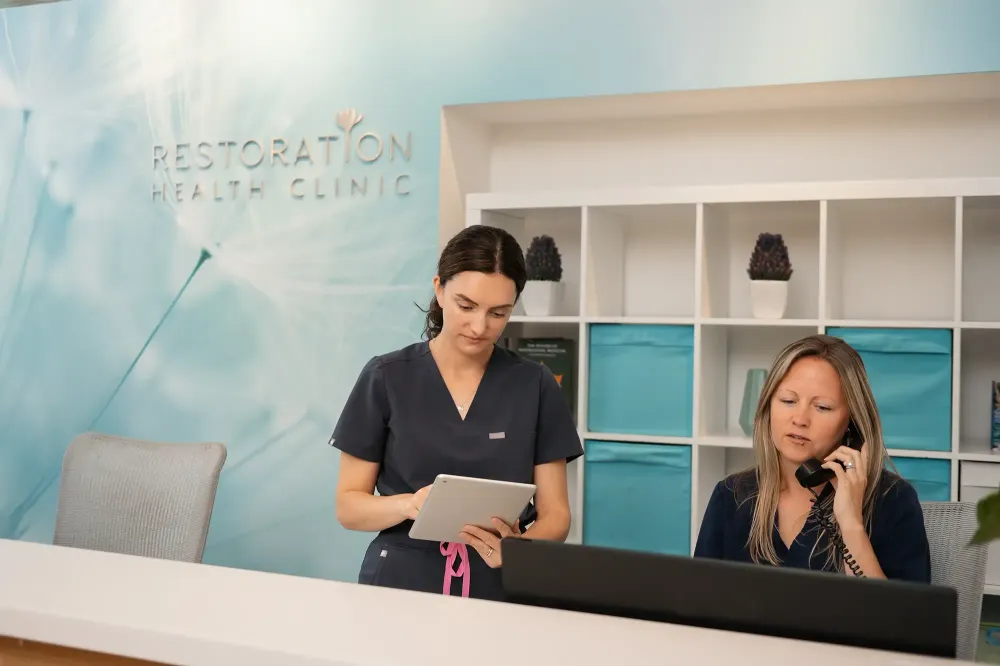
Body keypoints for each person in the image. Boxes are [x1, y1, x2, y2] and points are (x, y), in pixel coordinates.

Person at [329, 224, 583, 600]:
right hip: (399, 586)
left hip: (502, 585)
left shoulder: (536, 384)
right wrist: (409, 504)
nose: (480, 326)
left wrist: (517, 550)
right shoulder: (386, 377)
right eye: (466, 306)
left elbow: (557, 516)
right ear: (439, 289)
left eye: (498, 313)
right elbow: (349, 506)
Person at [693, 334, 931, 582]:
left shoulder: (892, 500)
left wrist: (851, 524)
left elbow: (899, 619)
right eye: (788, 401)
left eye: (822, 407)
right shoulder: (732, 495)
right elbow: (696, 602)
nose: (800, 419)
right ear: (768, 406)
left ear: (852, 422)